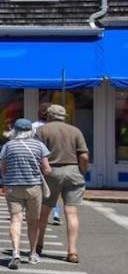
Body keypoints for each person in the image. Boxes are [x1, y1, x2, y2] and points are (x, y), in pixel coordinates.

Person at [36, 103, 88, 263]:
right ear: (64, 117)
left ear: (48, 116)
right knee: (71, 213)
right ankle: (72, 251)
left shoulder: (41, 131)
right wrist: (82, 171)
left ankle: (38, 245)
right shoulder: (75, 131)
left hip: (50, 172)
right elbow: (84, 156)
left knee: (43, 213)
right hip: (73, 171)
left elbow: (36, 154)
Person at [0, 117, 51, 269]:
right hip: (33, 187)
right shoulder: (39, 146)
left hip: (13, 187)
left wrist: (7, 181)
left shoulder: (8, 146)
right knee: (33, 221)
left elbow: (3, 169)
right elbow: (47, 169)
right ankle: (33, 254)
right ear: (31, 131)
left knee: (16, 220)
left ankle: (15, 252)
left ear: (15, 131)